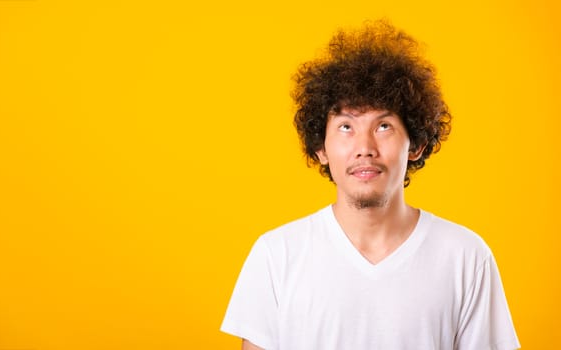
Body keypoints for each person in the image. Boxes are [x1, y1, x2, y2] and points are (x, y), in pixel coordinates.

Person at [220, 20, 520, 350]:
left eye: (384, 126)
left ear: (416, 144)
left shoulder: (466, 257)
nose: (365, 147)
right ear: (321, 148)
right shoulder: (276, 255)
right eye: (346, 126)